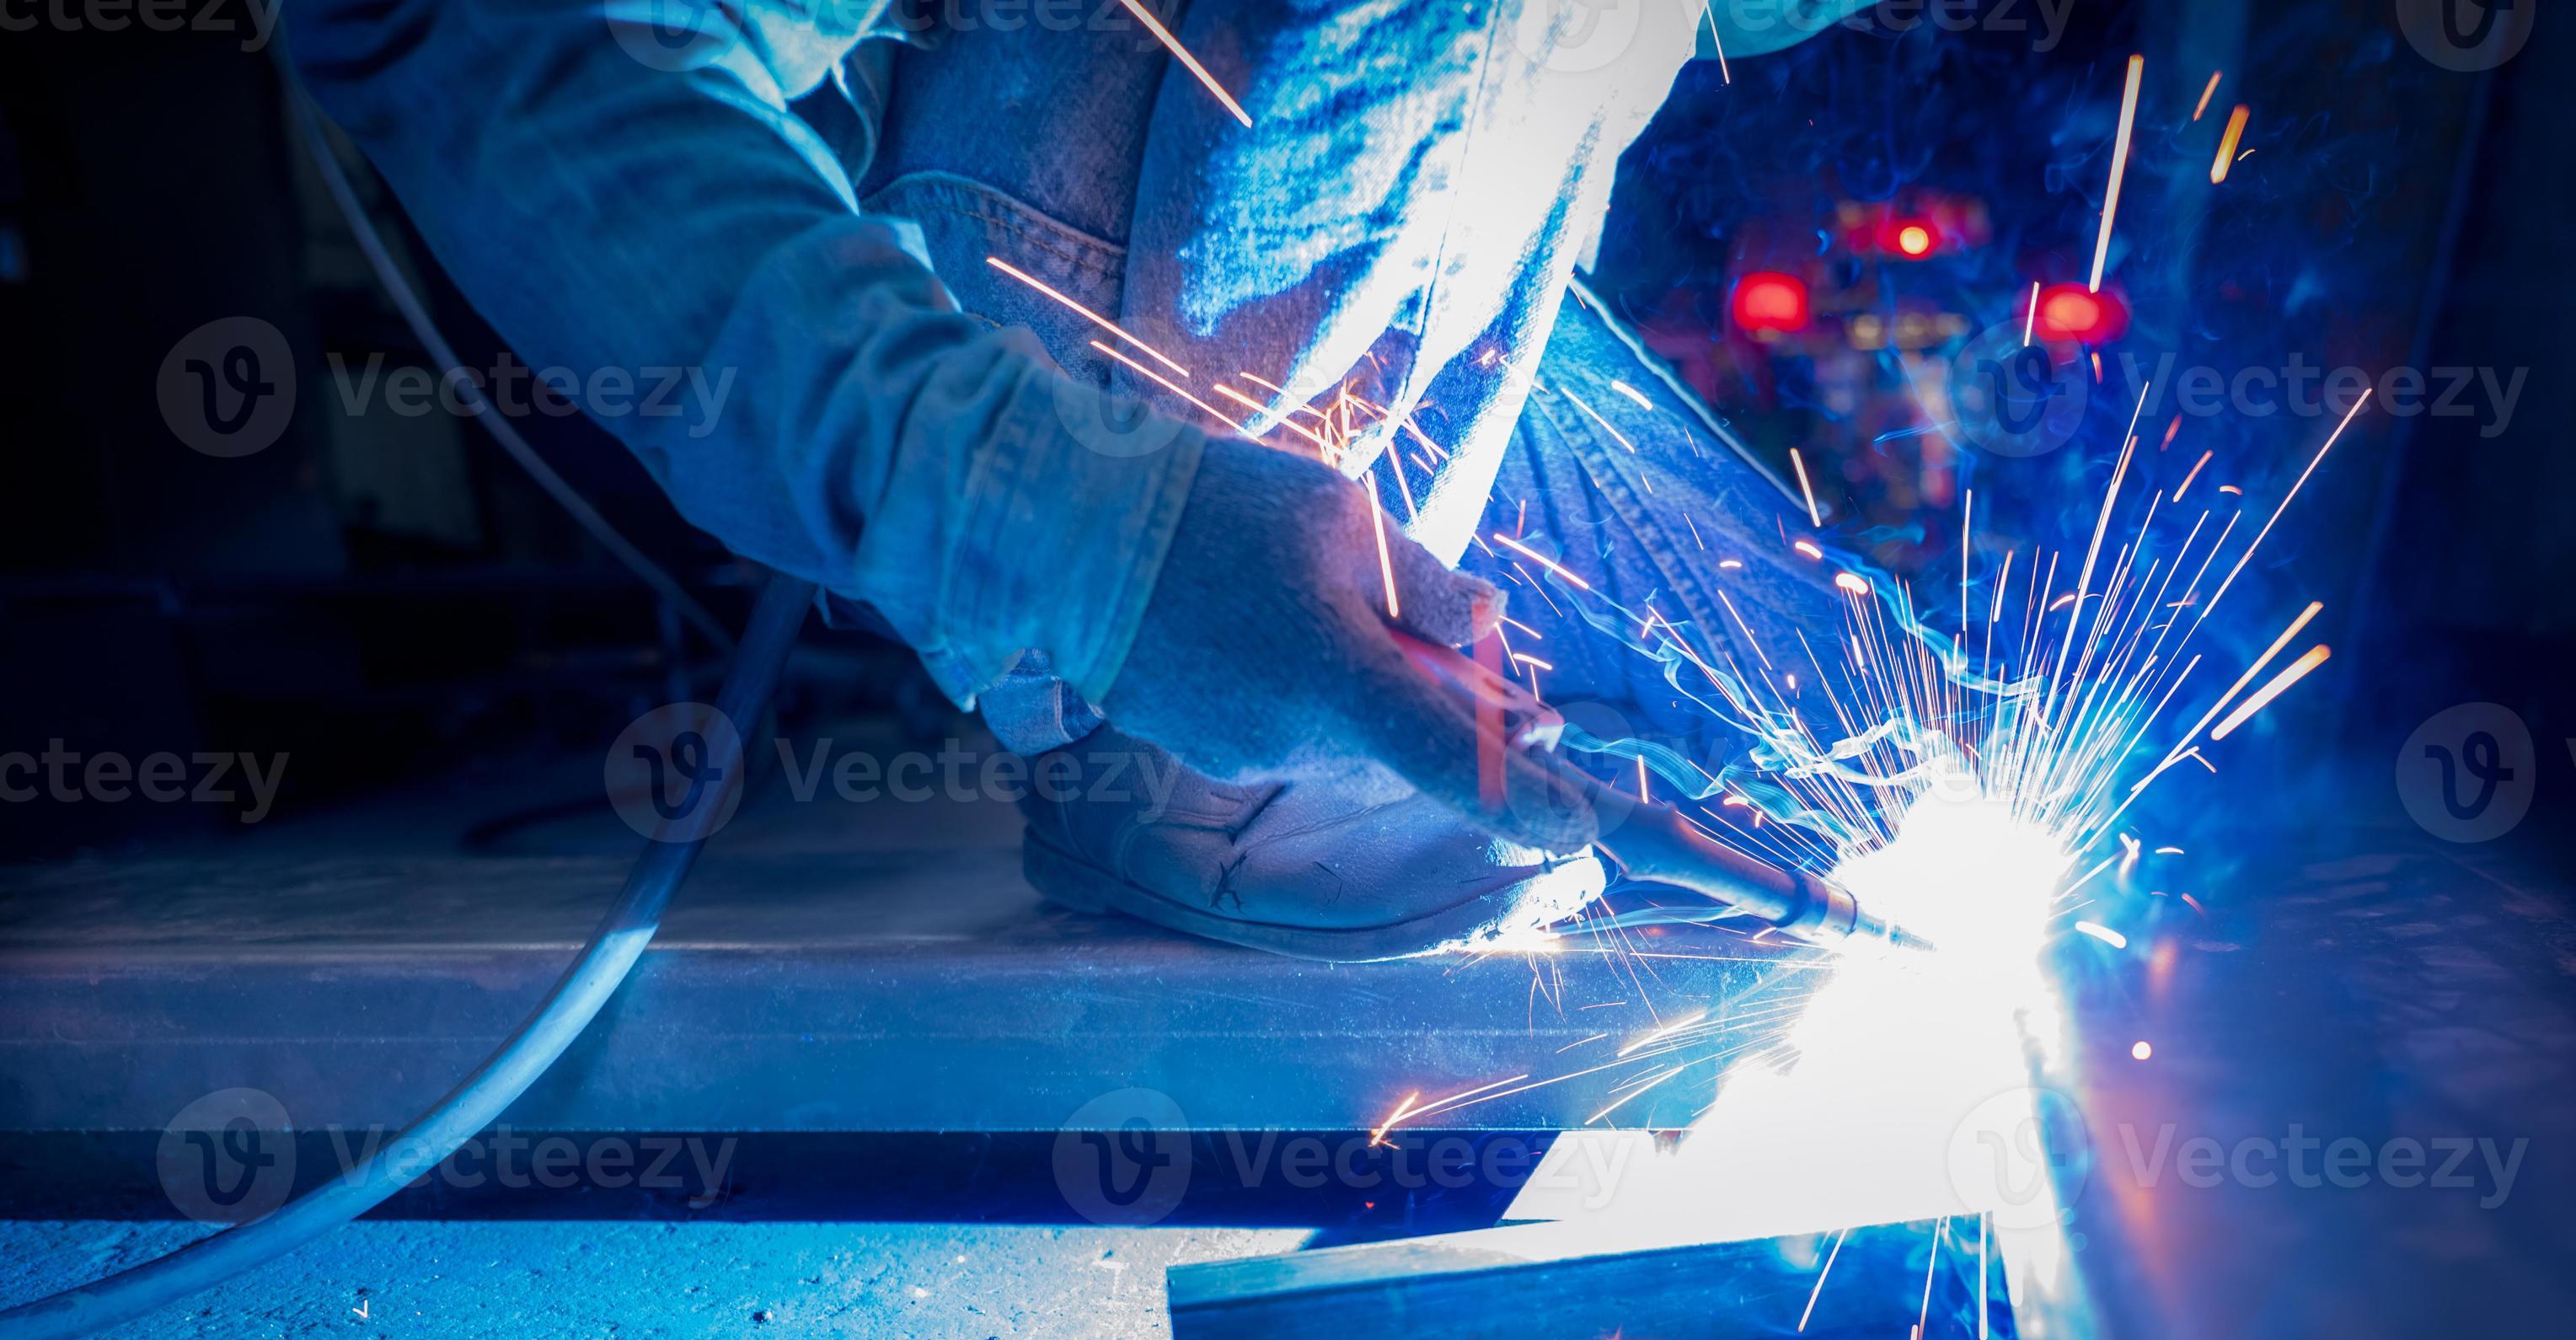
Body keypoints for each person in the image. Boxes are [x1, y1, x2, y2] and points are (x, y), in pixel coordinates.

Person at [291, 0, 1869, 957]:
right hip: (1007, 340)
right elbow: (506, 38)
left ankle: (1342, 625)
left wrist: (1760, 615)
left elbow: (1489, 149)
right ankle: (1171, 748)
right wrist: (1100, 536)